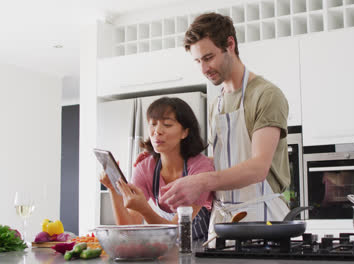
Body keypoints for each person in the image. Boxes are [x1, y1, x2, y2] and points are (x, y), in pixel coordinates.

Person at [158, 12, 291, 243]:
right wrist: (158, 161)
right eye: (198, 61)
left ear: (230, 44)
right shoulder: (217, 104)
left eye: (208, 57)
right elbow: (221, 165)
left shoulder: (266, 95)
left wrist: (202, 181)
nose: (203, 69)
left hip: (264, 221)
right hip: (222, 225)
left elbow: (258, 168)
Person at [100, 97, 214, 241]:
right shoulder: (145, 168)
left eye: (167, 124)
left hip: (205, 248)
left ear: (184, 132)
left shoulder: (200, 168)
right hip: (169, 249)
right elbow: (128, 228)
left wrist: (145, 209)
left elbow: (178, 232)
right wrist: (113, 189)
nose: (157, 131)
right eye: (152, 124)